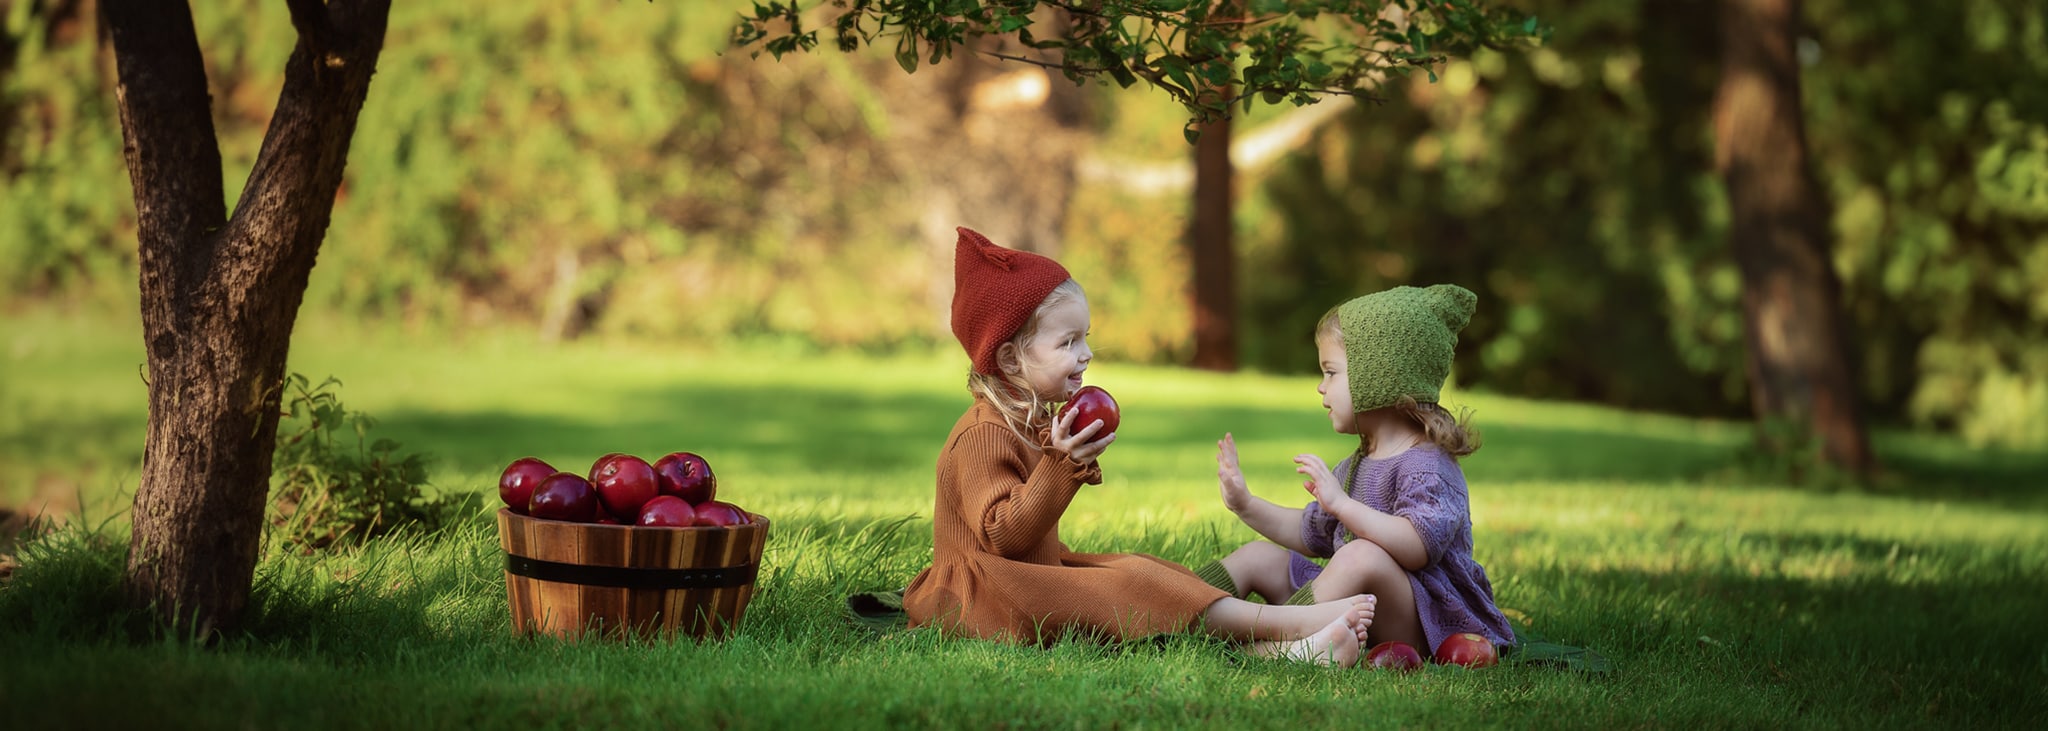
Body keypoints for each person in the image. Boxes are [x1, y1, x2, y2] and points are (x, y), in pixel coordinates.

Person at [903, 227, 1374, 666]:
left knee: (1138, 570)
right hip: (981, 599)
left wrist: (1067, 459)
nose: (1085, 353)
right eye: (1067, 341)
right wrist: (1061, 465)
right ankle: (1290, 624)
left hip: (1025, 581)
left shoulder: (1033, 419)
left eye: (1085, 337)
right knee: (1127, 588)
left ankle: (1274, 651)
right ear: (1009, 357)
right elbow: (1002, 535)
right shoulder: (983, 434)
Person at [1192, 284, 1515, 656]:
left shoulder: (1429, 466)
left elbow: (1416, 547)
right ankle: (1177, 610)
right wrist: (1245, 504)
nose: (1320, 386)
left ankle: (1280, 646)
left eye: (1331, 373)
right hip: (1356, 607)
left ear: (1379, 379)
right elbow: (1309, 533)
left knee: (1361, 555)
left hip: (1424, 621)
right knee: (1258, 556)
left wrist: (1342, 505)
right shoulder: (1358, 464)